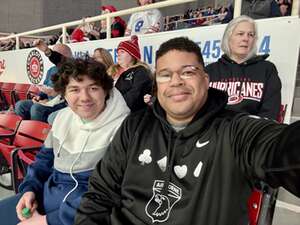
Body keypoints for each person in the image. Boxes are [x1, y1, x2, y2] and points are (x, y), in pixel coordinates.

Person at [74, 37, 300, 225]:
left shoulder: (236, 131)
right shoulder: (134, 126)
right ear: (157, 84)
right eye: (165, 74)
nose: (175, 81)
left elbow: (283, 149)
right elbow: (98, 196)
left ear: (206, 79)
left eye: (188, 72)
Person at [0, 58, 130, 225]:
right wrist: (30, 190)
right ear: (64, 94)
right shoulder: (63, 118)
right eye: (74, 89)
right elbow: (43, 162)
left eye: (93, 88)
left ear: (105, 91)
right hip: (45, 200)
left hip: (82, 216)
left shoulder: (125, 129)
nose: (84, 97)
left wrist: (47, 221)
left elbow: (108, 194)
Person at [205, 15, 282, 120]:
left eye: (251, 35)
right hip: (215, 133)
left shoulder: (267, 69)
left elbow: (270, 112)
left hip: (251, 132)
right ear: (228, 38)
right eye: (240, 34)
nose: (246, 38)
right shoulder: (210, 71)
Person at [14, 42, 72, 122]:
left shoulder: (72, 70)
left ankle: (36, 133)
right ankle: (23, 130)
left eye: (55, 53)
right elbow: (45, 88)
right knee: (20, 105)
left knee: (36, 108)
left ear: (66, 55)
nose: (53, 57)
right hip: (47, 101)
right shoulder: (51, 70)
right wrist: (39, 97)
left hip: (61, 104)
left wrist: (54, 94)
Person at [107, 35, 152, 112]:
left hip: (131, 114)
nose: (118, 55)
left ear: (132, 55)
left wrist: (115, 107)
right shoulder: (113, 70)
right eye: (117, 53)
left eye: (122, 52)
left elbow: (136, 93)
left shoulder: (140, 71)